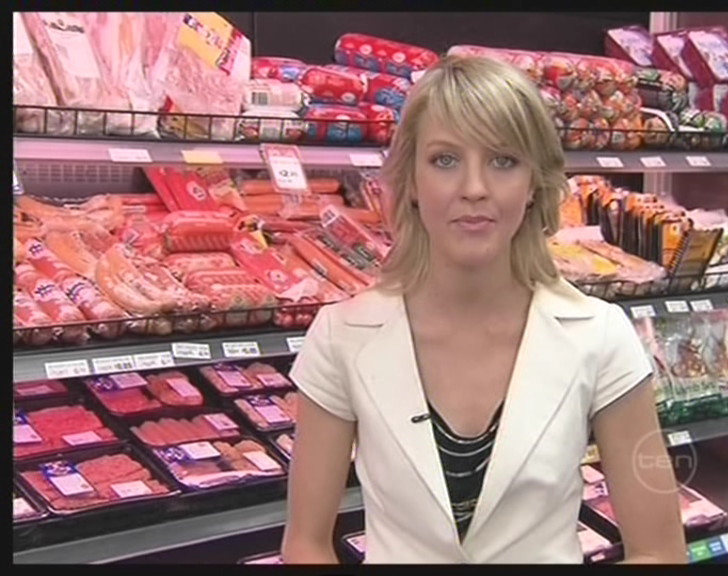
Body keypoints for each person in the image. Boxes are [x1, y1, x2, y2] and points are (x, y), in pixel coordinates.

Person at [281, 55, 687, 564]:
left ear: (534, 183)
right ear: (410, 182)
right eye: (445, 160)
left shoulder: (601, 336)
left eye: (503, 161)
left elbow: (659, 552)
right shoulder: (342, 336)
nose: (474, 188)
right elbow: (306, 544)